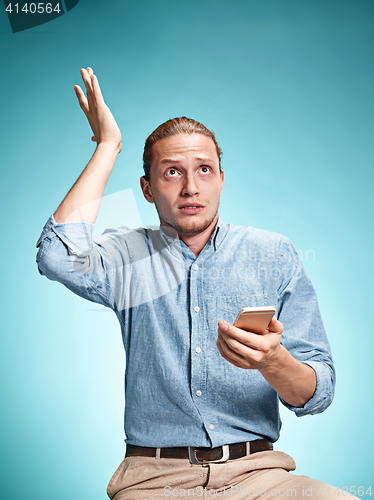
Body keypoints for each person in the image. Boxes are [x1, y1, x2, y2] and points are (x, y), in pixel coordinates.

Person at [36, 68, 346, 500]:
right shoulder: (128, 256)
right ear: (146, 188)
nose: (191, 187)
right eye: (171, 173)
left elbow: (319, 393)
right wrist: (109, 147)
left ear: (222, 179)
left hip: (259, 477)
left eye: (204, 169)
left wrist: (273, 362)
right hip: (153, 481)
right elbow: (56, 256)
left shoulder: (272, 253)